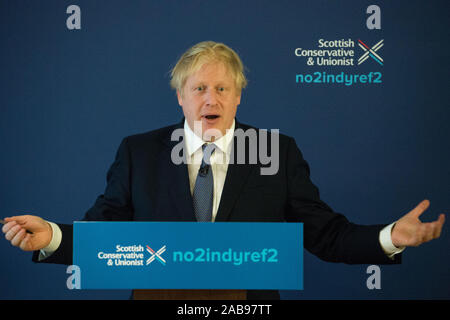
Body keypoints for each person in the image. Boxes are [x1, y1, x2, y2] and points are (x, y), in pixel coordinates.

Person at [2, 41, 446, 300]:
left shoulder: (277, 151)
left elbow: (325, 234)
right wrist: (52, 237)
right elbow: (103, 234)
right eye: (198, 89)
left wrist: (389, 237)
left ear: (238, 97)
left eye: (221, 89)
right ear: (180, 97)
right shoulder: (139, 152)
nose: (209, 100)